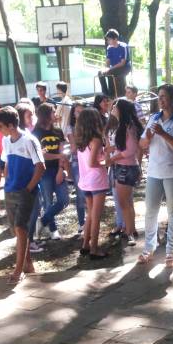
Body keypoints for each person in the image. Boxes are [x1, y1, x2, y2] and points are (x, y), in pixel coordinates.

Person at [138, 83, 173, 267]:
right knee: (150, 211)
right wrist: (148, 138)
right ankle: (149, 247)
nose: (160, 100)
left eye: (163, 96)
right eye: (159, 96)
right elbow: (142, 144)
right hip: (154, 171)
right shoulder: (154, 118)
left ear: (172, 99)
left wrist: (163, 134)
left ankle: (171, 251)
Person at [0, 106, 45, 284]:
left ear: (10, 125)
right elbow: (6, 163)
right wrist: (6, 181)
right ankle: (28, 265)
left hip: (25, 191)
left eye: (0, 127)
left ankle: (18, 271)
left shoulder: (29, 140)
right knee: (17, 230)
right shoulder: (6, 141)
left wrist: (28, 189)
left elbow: (40, 167)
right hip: (10, 190)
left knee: (20, 227)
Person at [75, 108, 110, 259]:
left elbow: (89, 160)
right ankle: (94, 249)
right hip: (97, 181)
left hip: (85, 181)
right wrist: (106, 163)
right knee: (96, 216)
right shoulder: (96, 140)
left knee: (90, 214)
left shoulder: (81, 140)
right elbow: (93, 163)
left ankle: (85, 245)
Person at [33, 103, 69, 244]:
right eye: (53, 112)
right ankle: (53, 230)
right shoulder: (36, 133)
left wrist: (61, 169)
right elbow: (41, 156)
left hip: (58, 169)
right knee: (48, 201)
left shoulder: (58, 131)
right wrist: (58, 156)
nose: (56, 114)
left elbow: (62, 152)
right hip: (44, 172)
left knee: (64, 200)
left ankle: (42, 221)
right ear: (46, 115)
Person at [109, 99, 144, 246]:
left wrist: (113, 158)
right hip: (124, 167)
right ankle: (132, 230)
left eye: (115, 106)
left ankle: (129, 233)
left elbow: (130, 151)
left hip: (125, 168)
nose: (112, 107)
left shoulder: (128, 127)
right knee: (127, 202)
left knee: (124, 203)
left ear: (121, 110)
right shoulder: (124, 126)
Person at [67, 102, 86, 234]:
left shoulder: (88, 125)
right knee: (80, 193)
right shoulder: (70, 127)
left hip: (88, 160)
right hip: (77, 161)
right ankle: (82, 222)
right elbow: (74, 147)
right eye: (78, 111)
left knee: (90, 192)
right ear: (73, 113)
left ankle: (90, 220)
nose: (80, 114)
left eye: (82, 111)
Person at [98, 29, 131, 98]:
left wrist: (110, 69)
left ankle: (114, 94)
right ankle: (106, 93)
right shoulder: (109, 48)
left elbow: (122, 63)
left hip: (124, 68)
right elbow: (108, 61)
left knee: (111, 72)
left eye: (109, 39)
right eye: (107, 40)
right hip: (113, 68)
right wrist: (105, 68)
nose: (108, 41)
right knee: (100, 73)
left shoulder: (123, 47)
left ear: (115, 39)